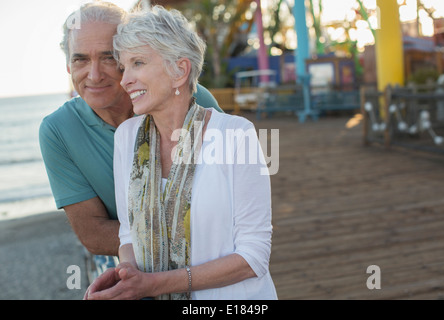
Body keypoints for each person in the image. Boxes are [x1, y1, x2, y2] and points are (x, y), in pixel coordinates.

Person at [84, 5, 277, 300]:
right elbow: (128, 233)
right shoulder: (126, 138)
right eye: (124, 67)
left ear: (180, 71)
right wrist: (126, 275)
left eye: (138, 63)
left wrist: (154, 285)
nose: (125, 80)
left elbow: (254, 257)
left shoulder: (236, 135)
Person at [39, 2, 222, 278]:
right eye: (80, 59)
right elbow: (94, 234)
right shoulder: (58, 130)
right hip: (126, 262)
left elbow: (231, 199)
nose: (94, 74)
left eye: (109, 57)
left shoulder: (191, 99)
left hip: (211, 258)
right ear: (68, 65)